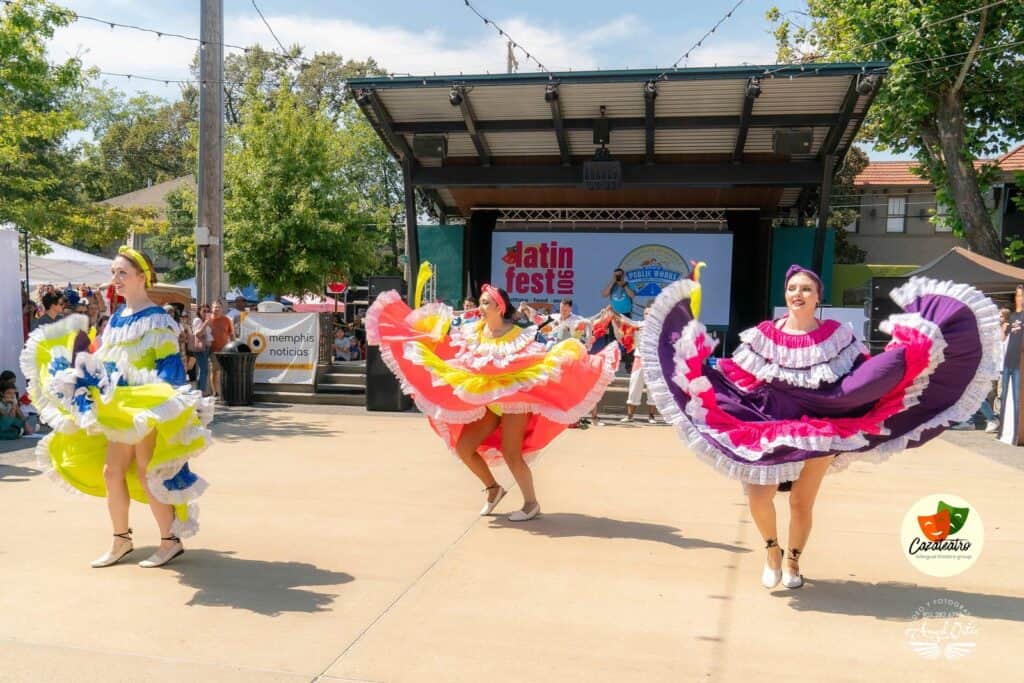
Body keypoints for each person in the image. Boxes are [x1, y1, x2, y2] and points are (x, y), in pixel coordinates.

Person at [641, 264, 999, 589]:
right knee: (758, 496)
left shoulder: (838, 335)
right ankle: (772, 550)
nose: (798, 294)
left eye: (806, 289)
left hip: (822, 424)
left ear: (818, 297)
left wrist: (906, 356)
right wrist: (706, 371)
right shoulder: (763, 334)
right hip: (770, 422)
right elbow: (740, 375)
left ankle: (794, 561)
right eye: (792, 288)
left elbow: (862, 375)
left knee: (801, 501)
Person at [366, 267, 619, 521]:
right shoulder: (472, 331)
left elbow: (535, 358)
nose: (480, 306)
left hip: (514, 401)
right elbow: (451, 344)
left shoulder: (518, 335)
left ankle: (531, 504)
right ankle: (493, 488)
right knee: (464, 448)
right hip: (487, 401)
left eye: (485, 303)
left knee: (511, 453)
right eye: (480, 302)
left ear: (499, 307)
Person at [20, 246, 212, 568]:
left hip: (142, 407)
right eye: (114, 273)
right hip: (116, 407)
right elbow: (105, 360)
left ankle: (169, 541)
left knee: (147, 472)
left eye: (122, 273)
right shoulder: (117, 319)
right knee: (112, 473)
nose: (116, 279)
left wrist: (161, 404)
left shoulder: (158, 320)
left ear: (142, 277)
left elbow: (169, 368)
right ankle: (121, 539)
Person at [620, 306, 657, 424]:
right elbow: (626, 321)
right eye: (646, 313)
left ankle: (651, 416)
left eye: (650, 313)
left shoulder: (660, 327)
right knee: (634, 387)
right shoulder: (638, 324)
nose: (648, 315)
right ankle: (630, 416)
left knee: (653, 389)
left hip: (653, 361)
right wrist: (615, 313)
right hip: (639, 359)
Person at [999, 287, 1024, 445]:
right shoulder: (1013, 316)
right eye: (1018, 295)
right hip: (1008, 361)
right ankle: (1004, 431)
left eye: (1022, 295)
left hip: (1019, 362)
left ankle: (1016, 434)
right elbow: (1002, 339)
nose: (1019, 298)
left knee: (1017, 399)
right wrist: (1003, 328)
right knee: (1005, 398)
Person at [208, 301, 235, 399]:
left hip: (225, 349)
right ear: (212, 309)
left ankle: (223, 391)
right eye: (215, 307)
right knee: (214, 371)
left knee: (223, 371)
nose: (217, 309)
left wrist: (234, 346)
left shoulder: (227, 320)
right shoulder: (208, 320)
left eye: (218, 307)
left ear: (222, 309)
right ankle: (215, 392)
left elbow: (232, 334)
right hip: (212, 350)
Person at [192, 304, 213, 396]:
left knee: (203, 370)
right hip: (201, 349)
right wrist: (206, 323)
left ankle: (200, 391)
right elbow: (198, 334)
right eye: (204, 311)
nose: (206, 313)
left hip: (206, 348)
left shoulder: (205, 321)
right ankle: (202, 391)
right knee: (204, 370)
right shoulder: (198, 320)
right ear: (199, 311)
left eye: (208, 311)